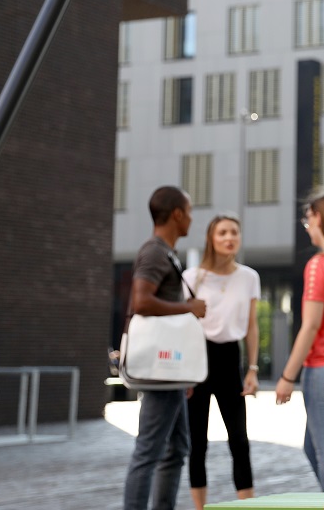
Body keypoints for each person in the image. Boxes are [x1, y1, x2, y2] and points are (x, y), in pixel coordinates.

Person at [124, 186, 207, 510]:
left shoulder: (164, 251)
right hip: (160, 370)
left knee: (176, 448)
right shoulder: (155, 252)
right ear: (176, 214)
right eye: (188, 211)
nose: (190, 218)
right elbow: (141, 301)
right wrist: (189, 308)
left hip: (169, 369)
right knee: (150, 451)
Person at [274, 188, 324, 489]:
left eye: (308, 220)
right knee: (316, 448)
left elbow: (310, 326)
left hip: (322, 371)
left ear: (318, 218)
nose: (307, 227)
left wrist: (286, 376)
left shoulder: (319, 265)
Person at [182, 214, 261, 510]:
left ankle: (248, 506)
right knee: (197, 443)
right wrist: (184, 373)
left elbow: (252, 326)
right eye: (223, 233)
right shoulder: (192, 277)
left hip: (231, 359)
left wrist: (252, 369)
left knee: (239, 441)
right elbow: (184, 328)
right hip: (198, 361)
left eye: (234, 232)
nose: (230, 238)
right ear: (211, 239)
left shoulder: (249, 277)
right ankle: (199, 508)